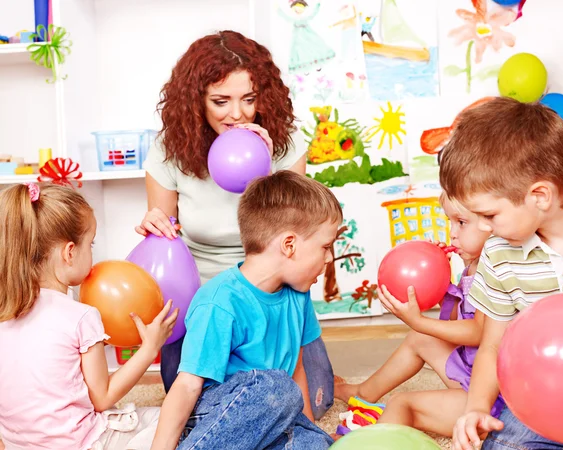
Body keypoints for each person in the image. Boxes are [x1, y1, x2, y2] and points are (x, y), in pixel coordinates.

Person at [137, 30, 334, 420]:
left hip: (270, 294)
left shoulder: (284, 143)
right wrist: (153, 225)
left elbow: (298, 237)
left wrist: (263, 169)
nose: (237, 114)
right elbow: (166, 241)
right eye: (220, 101)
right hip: (203, 302)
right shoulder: (169, 150)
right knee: (202, 409)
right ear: (196, 102)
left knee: (316, 399)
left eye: (249, 99)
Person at [439, 97, 563, 450]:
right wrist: (476, 408)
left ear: (539, 196)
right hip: (543, 404)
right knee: (503, 444)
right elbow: (493, 344)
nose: (483, 228)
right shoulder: (499, 253)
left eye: (490, 215)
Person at [150, 171, 339, 449]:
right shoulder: (220, 301)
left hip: (273, 413)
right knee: (276, 386)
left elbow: (298, 371)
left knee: (315, 442)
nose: (329, 257)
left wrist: (309, 429)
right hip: (216, 413)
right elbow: (188, 385)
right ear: (289, 245)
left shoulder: (298, 295)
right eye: (325, 246)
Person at [0, 183, 178, 450]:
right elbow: (102, 398)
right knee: (170, 421)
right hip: (81, 444)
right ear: (69, 252)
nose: (93, 252)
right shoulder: (81, 316)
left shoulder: (5, 310)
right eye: (91, 243)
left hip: (18, 445)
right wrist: (150, 347)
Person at [334, 191, 503, 437]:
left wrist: (420, 321)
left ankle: (364, 441)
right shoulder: (472, 267)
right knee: (419, 338)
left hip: (492, 396)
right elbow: (457, 323)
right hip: (473, 370)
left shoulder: (495, 269)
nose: (452, 233)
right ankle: (364, 392)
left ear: (492, 224)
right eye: (450, 222)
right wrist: (442, 281)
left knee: (401, 403)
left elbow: (478, 333)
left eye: (461, 223)